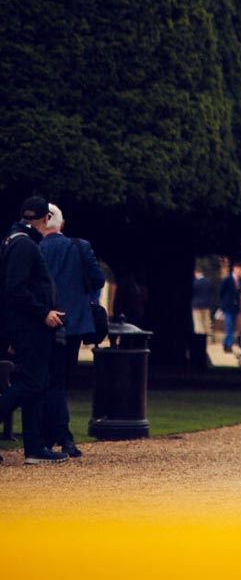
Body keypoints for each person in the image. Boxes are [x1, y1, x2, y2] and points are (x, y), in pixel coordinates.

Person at [0, 196, 67, 464]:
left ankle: (34, 447)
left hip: (23, 325)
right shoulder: (25, 245)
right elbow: (16, 287)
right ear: (45, 219)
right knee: (33, 382)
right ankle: (35, 447)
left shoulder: (11, 240)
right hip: (30, 326)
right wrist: (43, 312)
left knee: (35, 385)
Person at [38, 204, 104, 458]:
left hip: (45, 321)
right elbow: (97, 280)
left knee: (51, 381)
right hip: (75, 322)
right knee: (60, 380)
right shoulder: (80, 246)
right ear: (62, 225)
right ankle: (62, 437)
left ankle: (51, 436)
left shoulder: (38, 248)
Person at [218, 260, 241, 352]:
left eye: (240, 269)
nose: (239, 271)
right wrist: (223, 303)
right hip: (227, 306)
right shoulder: (227, 279)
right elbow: (222, 292)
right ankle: (228, 345)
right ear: (234, 269)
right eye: (238, 269)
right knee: (229, 325)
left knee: (232, 327)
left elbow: (239, 293)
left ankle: (226, 343)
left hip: (235, 307)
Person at [191, 267, 215, 341]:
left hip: (196, 305)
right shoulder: (209, 282)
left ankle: (200, 339)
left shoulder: (194, 283)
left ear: (196, 273)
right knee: (207, 322)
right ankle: (208, 339)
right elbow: (211, 293)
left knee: (198, 323)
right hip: (207, 305)